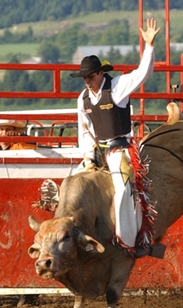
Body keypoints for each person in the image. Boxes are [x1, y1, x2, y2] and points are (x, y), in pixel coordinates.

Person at [40, 18, 161, 257]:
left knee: (123, 189)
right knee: (70, 184)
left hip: (120, 150)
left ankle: (129, 243)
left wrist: (149, 46)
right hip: (96, 151)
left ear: (99, 73)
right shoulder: (82, 98)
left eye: (89, 76)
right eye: (84, 77)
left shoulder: (117, 87)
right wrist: (87, 157)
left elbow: (142, 73)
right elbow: (84, 129)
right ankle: (65, 235)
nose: (86, 81)